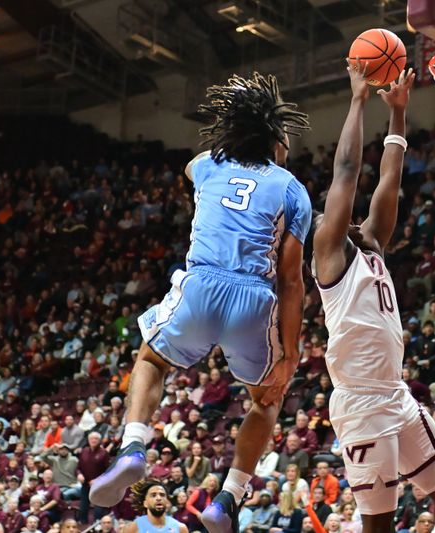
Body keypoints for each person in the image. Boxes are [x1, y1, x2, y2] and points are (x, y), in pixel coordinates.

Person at [89, 70, 313, 533]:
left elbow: (193, 166)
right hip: (255, 297)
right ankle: (228, 498)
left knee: (151, 357)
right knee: (266, 398)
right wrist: (290, 354)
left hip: (201, 285)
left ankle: (133, 447)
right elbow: (293, 282)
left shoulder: (209, 165)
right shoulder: (293, 188)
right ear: (273, 137)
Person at [312, 65, 435, 533]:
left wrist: (398, 115)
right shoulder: (330, 252)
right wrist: (357, 101)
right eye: (334, 212)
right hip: (361, 404)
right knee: (379, 525)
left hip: (395, 396)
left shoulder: (373, 242)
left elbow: (390, 177)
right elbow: (347, 171)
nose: (344, 214)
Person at [122, 479, 189, 533]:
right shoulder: (132, 528)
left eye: (162, 495)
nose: (159, 498)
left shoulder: (181, 528)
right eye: (153, 495)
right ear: (145, 503)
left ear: (167, 502)